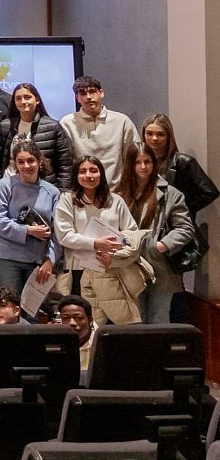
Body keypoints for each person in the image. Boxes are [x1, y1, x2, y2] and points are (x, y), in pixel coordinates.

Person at [56, 155, 146, 324]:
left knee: (114, 321)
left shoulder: (116, 200)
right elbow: (64, 235)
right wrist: (96, 243)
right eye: (82, 171)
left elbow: (131, 232)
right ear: (76, 175)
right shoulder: (67, 200)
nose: (88, 175)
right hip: (79, 269)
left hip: (110, 267)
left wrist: (116, 250)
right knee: (84, 322)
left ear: (101, 174)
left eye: (93, 170)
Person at [116, 143, 196, 324]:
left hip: (160, 268)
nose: (143, 167)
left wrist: (160, 246)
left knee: (159, 319)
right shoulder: (118, 195)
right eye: (138, 162)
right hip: (128, 266)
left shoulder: (170, 194)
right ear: (130, 164)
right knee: (133, 320)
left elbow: (185, 228)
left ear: (154, 164)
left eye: (147, 162)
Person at [0, 138, 62, 312]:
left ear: (39, 161)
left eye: (30, 160)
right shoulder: (5, 185)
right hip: (7, 259)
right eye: (21, 162)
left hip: (37, 262)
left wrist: (50, 260)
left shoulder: (52, 192)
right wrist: (28, 230)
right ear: (15, 164)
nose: (26, 166)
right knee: (9, 309)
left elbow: (58, 232)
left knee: (31, 312)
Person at [0, 83, 74, 190]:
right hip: (10, 188)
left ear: (37, 100)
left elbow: (65, 165)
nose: (23, 102)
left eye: (27, 97)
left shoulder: (53, 127)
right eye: (18, 98)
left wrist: (63, 192)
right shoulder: (4, 127)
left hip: (43, 189)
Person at [59, 76, 138, 185]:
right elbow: (65, 163)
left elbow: (135, 158)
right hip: (82, 192)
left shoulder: (122, 121)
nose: (88, 97)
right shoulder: (67, 123)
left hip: (117, 191)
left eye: (92, 92)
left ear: (101, 93)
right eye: (82, 93)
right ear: (77, 98)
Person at [142, 113, 219, 218]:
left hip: (176, 226)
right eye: (149, 133)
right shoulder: (139, 162)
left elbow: (210, 192)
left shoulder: (183, 162)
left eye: (160, 134)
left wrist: (183, 208)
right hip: (147, 221)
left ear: (169, 136)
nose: (154, 138)